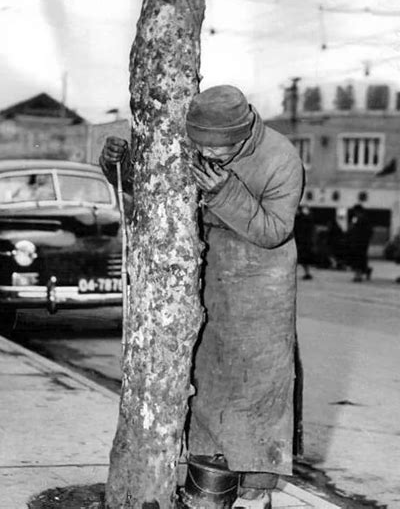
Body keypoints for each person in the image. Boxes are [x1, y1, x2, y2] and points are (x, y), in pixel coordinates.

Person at [100, 85, 304, 508]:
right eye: (202, 148)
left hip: (261, 281)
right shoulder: (194, 146)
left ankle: (255, 489)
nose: (209, 157)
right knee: (205, 376)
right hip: (208, 269)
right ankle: (207, 482)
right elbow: (155, 194)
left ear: (245, 132)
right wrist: (116, 166)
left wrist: (224, 191)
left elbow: (274, 230)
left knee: (258, 380)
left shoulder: (281, 156)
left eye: (222, 149)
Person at [346, 204, 373, 282]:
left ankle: (358, 276)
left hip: (358, 242)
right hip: (362, 242)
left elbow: (352, 228)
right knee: (361, 259)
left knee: (358, 259)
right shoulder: (365, 219)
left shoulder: (358, 218)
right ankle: (364, 272)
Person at [294, 205, 315, 279]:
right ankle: (307, 273)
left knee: (303, 259)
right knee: (303, 260)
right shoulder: (301, 219)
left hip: (303, 243)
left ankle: (307, 273)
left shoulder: (302, 219)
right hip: (302, 242)